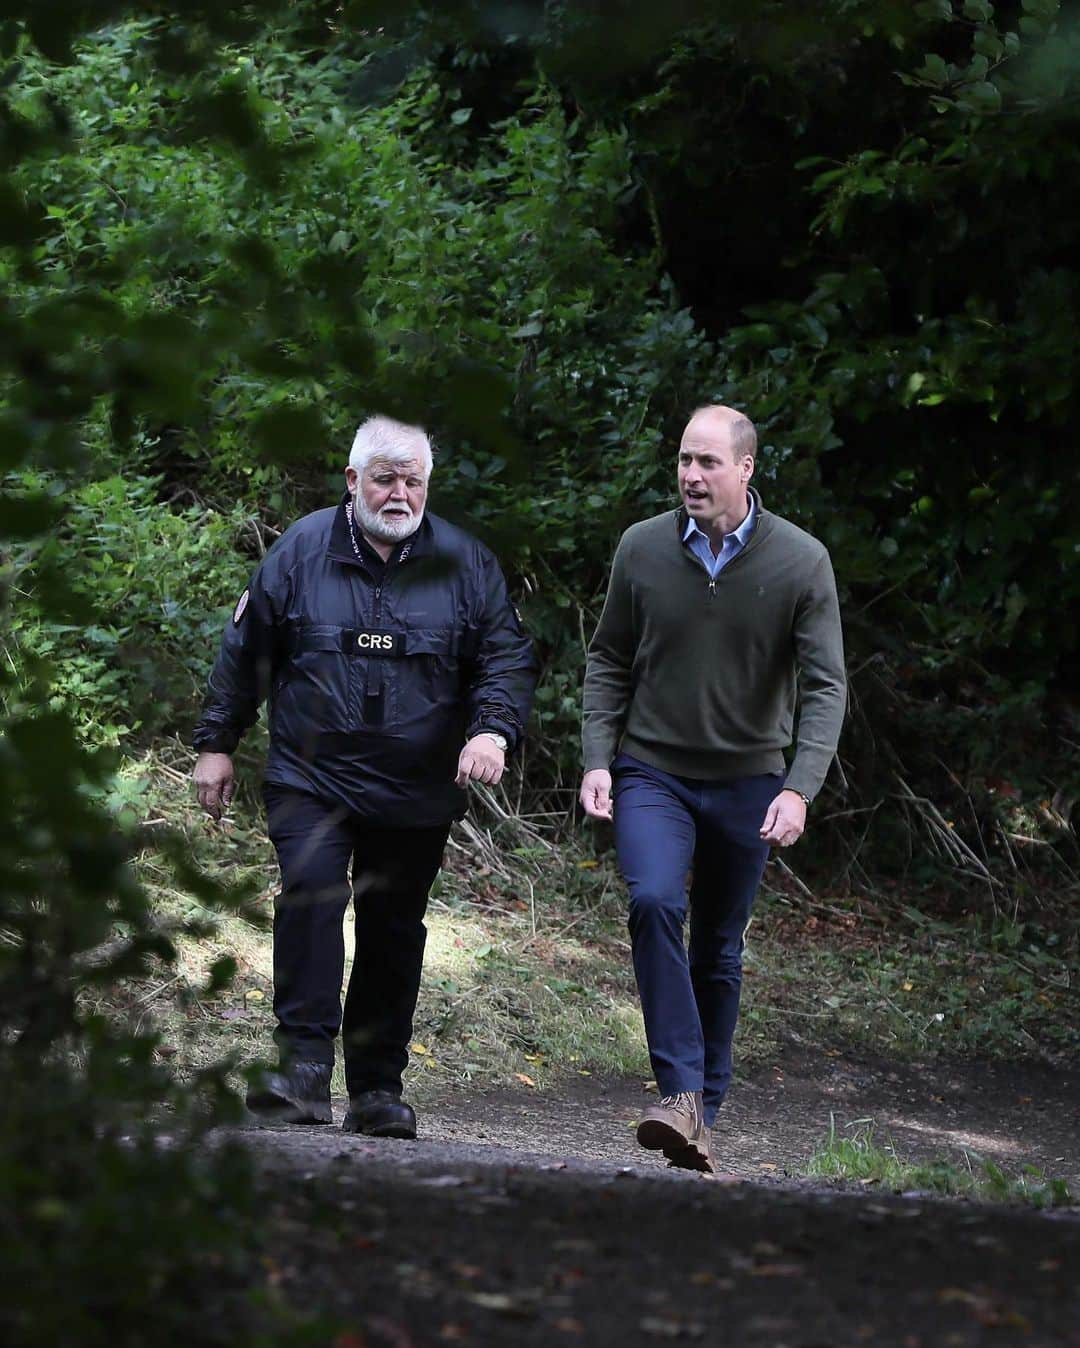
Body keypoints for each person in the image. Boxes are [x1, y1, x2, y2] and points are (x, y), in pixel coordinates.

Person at [192, 414, 536, 1138]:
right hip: (311, 776)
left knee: (392, 926)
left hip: (414, 787)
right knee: (312, 894)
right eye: (384, 478)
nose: (400, 494)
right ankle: (302, 1071)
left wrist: (492, 730)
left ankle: (377, 1088)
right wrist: (216, 744)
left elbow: (504, 657)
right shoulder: (300, 552)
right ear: (352, 481)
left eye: (413, 480)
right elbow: (245, 650)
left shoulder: (466, 564)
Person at [579, 404, 846, 1174]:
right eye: (684, 462)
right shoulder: (642, 549)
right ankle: (680, 1094)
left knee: (719, 949)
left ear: (746, 469)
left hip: (748, 780)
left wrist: (799, 788)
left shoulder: (801, 562)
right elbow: (606, 660)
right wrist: (599, 757)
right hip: (652, 770)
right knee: (655, 899)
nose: (691, 477)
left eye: (707, 463)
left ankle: (704, 1111)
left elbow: (827, 687)